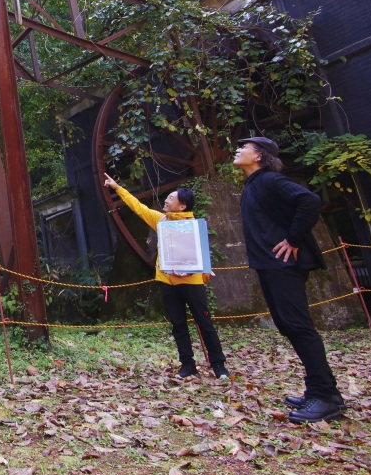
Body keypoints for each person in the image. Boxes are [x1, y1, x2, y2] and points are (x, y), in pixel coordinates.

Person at [232, 136, 346, 423]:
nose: (237, 150)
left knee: (298, 325)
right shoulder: (253, 185)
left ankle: (324, 398)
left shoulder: (270, 180)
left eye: (243, 147)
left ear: (259, 155)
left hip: (283, 264)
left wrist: (293, 238)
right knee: (289, 326)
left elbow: (309, 200)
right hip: (269, 265)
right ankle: (324, 392)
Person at [103, 173, 229, 380]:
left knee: (205, 323)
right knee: (178, 324)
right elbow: (138, 207)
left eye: (171, 198)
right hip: (167, 281)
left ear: (182, 206)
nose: (166, 200)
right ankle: (187, 364)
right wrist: (118, 188)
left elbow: (202, 253)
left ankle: (219, 365)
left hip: (192, 281)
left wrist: (204, 272)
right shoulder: (161, 221)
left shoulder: (195, 225)